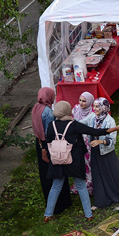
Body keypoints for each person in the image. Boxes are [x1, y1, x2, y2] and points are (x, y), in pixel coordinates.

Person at [43, 101, 119, 222]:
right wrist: (115, 128)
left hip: (58, 160)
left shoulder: (52, 125)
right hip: (74, 161)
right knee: (81, 186)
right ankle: (88, 214)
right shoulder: (73, 125)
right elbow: (95, 131)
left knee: (56, 186)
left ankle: (48, 214)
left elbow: (49, 141)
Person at [89, 97, 119, 208]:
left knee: (112, 175)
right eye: (94, 106)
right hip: (95, 151)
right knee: (97, 176)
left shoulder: (110, 121)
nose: (94, 109)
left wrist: (100, 141)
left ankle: (117, 195)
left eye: (97, 106)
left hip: (106, 152)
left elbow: (112, 141)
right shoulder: (93, 119)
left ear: (104, 107)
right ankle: (101, 201)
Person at [31, 87, 71, 215]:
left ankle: (49, 200)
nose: (54, 98)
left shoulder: (36, 107)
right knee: (56, 171)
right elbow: (50, 131)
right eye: (53, 96)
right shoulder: (47, 112)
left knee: (45, 173)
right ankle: (60, 203)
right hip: (48, 145)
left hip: (39, 143)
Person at [72, 91, 96, 196]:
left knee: (88, 162)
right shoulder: (75, 109)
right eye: (80, 100)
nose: (81, 103)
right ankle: (80, 183)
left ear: (89, 102)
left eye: (84, 101)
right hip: (76, 140)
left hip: (87, 141)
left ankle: (90, 183)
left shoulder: (93, 113)